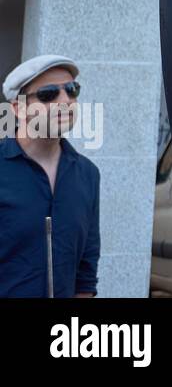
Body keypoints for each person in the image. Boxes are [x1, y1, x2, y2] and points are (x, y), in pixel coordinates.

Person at [0, 55, 100, 297]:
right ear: (18, 108)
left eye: (72, 90)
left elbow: (87, 269)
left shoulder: (88, 174)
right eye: (48, 94)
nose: (65, 100)